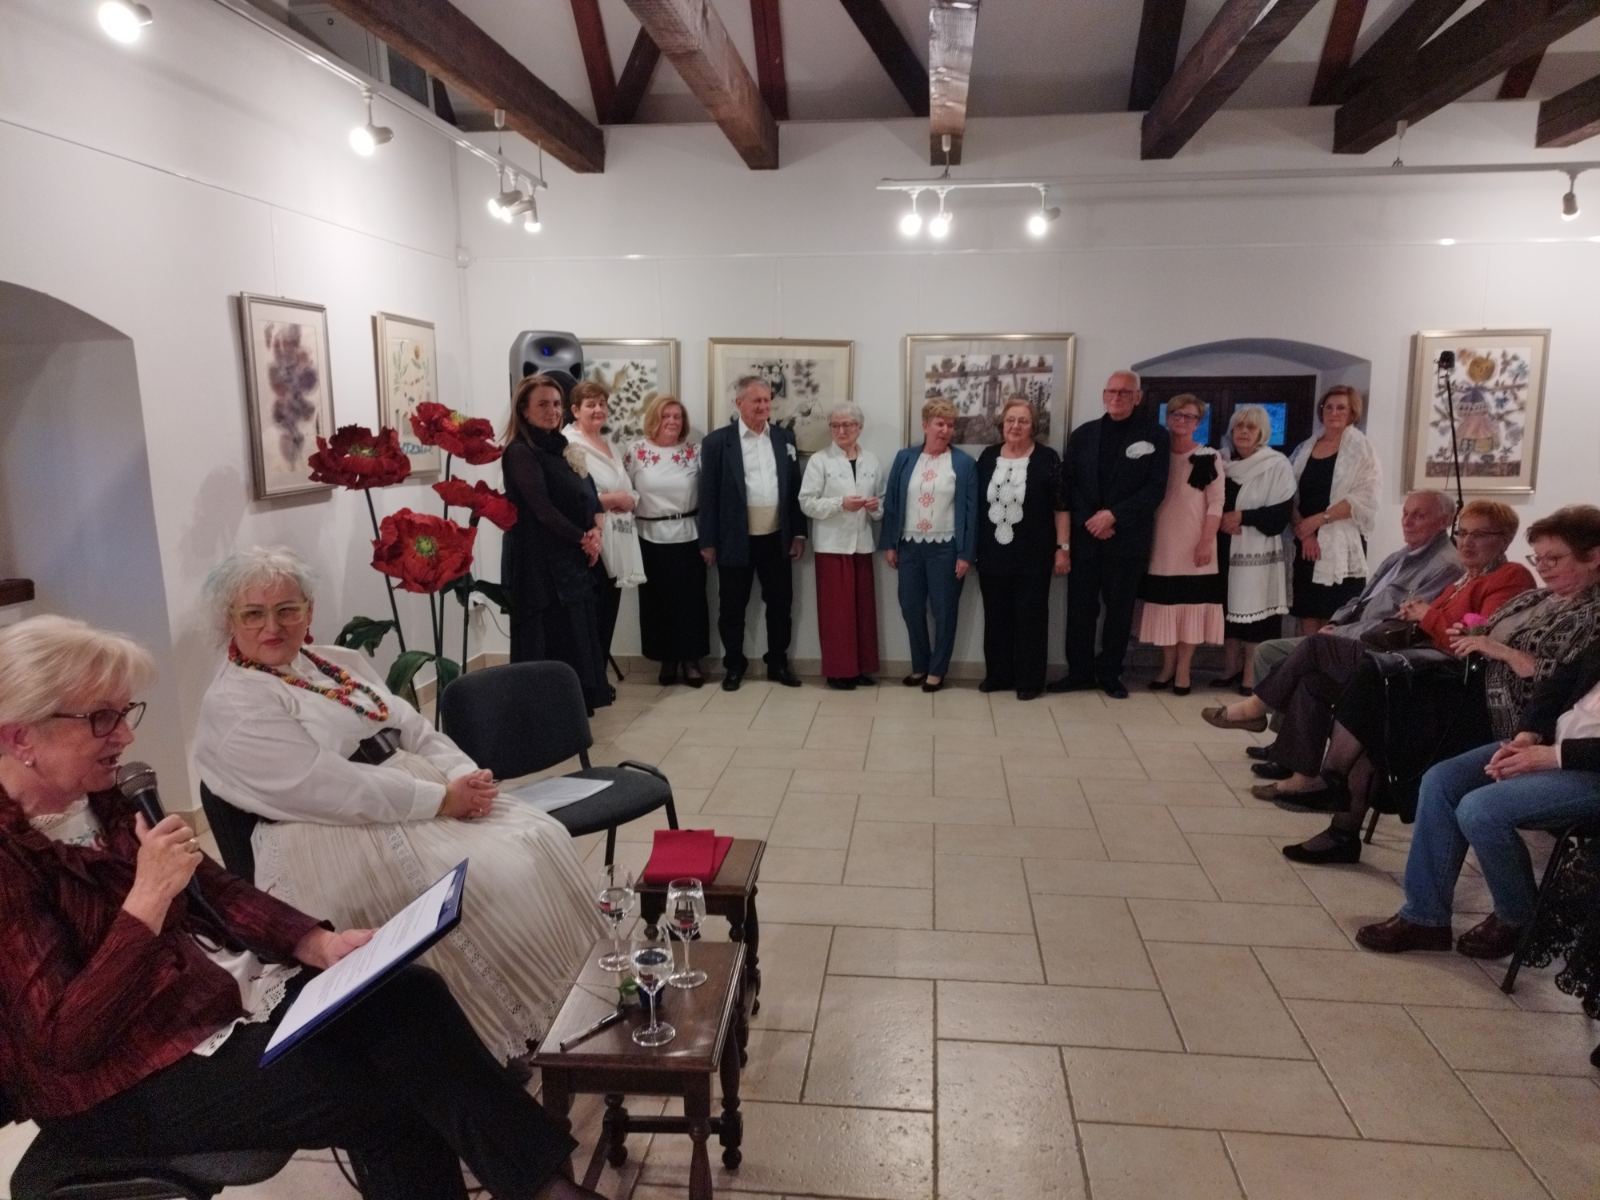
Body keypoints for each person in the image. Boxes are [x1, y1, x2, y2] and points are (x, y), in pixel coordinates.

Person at [0, 615, 602, 1200]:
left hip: (200, 1001)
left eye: (124, 713)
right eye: (101, 718)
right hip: (115, 1081)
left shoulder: (101, 796)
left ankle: (546, 1189)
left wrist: (316, 943)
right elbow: (63, 1041)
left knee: (408, 995)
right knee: (385, 1091)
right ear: (21, 737)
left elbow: (216, 889)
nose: (125, 737)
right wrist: (149, 899)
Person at [193, 548, 604, 1063]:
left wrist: (461, 775)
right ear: (228, 621)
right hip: (329, 828)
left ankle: (572, 1009)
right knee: (489, 877)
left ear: (309, 611)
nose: (272, 626)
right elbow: (327, 787)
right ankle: (487, 1043)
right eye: (253, 614)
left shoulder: (330, 661)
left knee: (540, 837)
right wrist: (440, 799)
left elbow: (410, 724)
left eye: (287, 609)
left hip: (407, 796)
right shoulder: (235, 703)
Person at [1280, 504, 1600, 864]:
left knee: (1378, 691)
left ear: (1593, 558)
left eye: (1553, 559)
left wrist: (1499, 650)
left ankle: (1335, 798)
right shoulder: (1537, 598)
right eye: (1538, 558)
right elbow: (1480, 628)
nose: (1542, 567)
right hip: (1466, 684)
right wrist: (1471, 634)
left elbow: (1562, 684)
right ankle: (1338, 810)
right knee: (1375, 697)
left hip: (1505, 709)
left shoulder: (1592, 615)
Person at [1209, 500, 1533, 808]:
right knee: (1312, 681)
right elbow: (1377, 604)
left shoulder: (1509, 576)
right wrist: (1413, 615)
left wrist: (1425, 615)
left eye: (1479, 534)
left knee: (1315, 646)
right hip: (1409, 660)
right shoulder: (1461, 578)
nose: (1467, 542)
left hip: (1441, 679)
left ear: (1504, 539)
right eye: (1463, 533)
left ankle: (1256, 708)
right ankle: (1303, 778)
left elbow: (1478, 639)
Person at [1355, 641, 1600, 958]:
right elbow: (1558, 684)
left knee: (1480, 810)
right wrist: (1527, 736)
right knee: (1441, 781)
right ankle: (1425, 917)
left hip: (1587, 770)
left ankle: (1519, 918)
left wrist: (1553, 757)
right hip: (1552, 745)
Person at [1242, 489, 1462, 696]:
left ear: (1444, 521)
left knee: (1271, 652)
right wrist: (1336, 624)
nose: (1407, 521)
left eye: (1419, 516)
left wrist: (1341, 634)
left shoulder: (1445, 566)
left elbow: (1397, 624)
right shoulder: (1400, 555)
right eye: (1405, 513)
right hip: (1351, 634)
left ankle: (1259, 712)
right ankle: (1277, 722)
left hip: (1374, 647)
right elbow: (1361, 599)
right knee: (1271, 653)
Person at [1050, 370, 1170, 699]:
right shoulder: (1083, 435)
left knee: (1119, 612)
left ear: (1137, 397)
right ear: (1104, 395)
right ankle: (1079, 672)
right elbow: (1069, 486)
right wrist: (1092, 520)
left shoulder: (1156, 436)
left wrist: (1113, 516)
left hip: (1127, 540)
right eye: (1112, 391)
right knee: (1080, 610)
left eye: (1125, 392)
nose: (1117, 397)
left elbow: (1155, 488)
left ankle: (1110, 673)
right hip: (1086, 538)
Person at [500, 372, 609, 712]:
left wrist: (595, 530)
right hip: (538, 562)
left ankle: (573, 705)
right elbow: (542, 509)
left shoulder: (561, 447)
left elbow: (587, 494)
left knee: (575, 631)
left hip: (571, 556)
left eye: (557, 403)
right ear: (524, 410)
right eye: (543, 404)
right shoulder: (520, 451)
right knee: (549, 632)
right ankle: (547, 710)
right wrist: (583, 538)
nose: (553, 411)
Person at [700, 376, 807, 691]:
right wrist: (708, 541)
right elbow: (708, 494)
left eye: (766, 400)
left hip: (777, 537)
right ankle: (734, 665)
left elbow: (794, 490)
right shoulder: (717, 442)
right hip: (734, 537)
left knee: (781, 604)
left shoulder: (784, 438)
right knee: (732, 606)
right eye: (756, 400)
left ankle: (777, 663)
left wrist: (798, 534)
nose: (763, 406)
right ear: (739, 404)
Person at [880, 398, 978, 693]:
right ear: (925, 425)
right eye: (939, 423)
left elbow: (971, 512)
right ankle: (920, 665)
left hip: (946, 548)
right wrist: (890, 544)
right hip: (909, 545)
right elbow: (893, 502)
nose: (945, 430)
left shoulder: (963, 463)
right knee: (910, 606)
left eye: (950, 425)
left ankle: (937, 670)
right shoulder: (905, 458)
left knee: (944, 610)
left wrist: (966, 554)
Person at [975, 397, 1067, 700]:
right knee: (996, 617)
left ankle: (1029, 680)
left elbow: (1061, 507)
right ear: (1002, 423)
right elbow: (976, 506)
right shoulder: (988, 457)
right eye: (1011, 420)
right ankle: (998, 675)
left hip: (1034, 555)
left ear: (1033, 426)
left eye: (1023, 421)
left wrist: (1063, 548)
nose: (1016, 426)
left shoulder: (1048, 458)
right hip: (992, 554)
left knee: (1031, 618)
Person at [1137, 394, 1223, 695]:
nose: (1182, 420)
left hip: (1195, 545)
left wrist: (1205, 542)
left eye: (1189, 416)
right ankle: (1167, 666)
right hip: (1161, 545)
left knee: (1190, 610)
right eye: (1176, 414)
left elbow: (1216, 504)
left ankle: (1184, 669)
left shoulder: (1208, 457)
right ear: (1168, 417)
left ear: (1198, 422)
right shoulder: (1155, 455)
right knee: (1166, 608)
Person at [799, 402, 884, 690]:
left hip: (862, 544)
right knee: (837, 614)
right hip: (832, 547)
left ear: (859, 427)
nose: (841, 430)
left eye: (847, 425)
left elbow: (882, 502)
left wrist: (875, 507)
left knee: (862, 612)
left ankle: (860, 667)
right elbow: (806, 503)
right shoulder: (820, 461)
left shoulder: (871, 461)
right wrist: (840, 504)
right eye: (835, 425)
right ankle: (839, 671)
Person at [627, 394, 710, 687]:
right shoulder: (636, 452)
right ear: (654, 419)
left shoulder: (694, 452)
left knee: (690, 602)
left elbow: (709, 496)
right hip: (648, 537)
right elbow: (624, 490)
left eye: (677, 416)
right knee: (657, 602)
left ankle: (691, 660)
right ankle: (666, 659)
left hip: (688, 536)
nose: (672, 421)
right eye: (666, 416)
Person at [1214, 404, 1295, 694]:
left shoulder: (1276, 465)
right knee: (1227, 609)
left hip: (1258, 551)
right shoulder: (1223, 463)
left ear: (1262, 432)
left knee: (1255, 613)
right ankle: (1230, 668)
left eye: (1251, 427)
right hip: (1224, 547)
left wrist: (1242, 517)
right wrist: (1220, 521)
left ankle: (1251, 674)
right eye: (1239, 426)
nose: (1244, 432)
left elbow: (1280, 515)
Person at [563, 379, 644, 669]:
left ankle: (599, 676)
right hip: (591, 540)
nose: (598, 409)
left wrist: (629, 498)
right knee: (592, 615)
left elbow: (626, 486)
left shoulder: (610, 444)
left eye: (602, 404)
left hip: (618, 537)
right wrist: (614, 499)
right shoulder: (569, 444)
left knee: (609, 611)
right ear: (575, 410)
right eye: (590, 405)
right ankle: (589, 678)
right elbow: (574, 496)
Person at [1289, 385, 1381, 634]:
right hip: (1306, 539)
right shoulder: (1306, 447)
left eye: (1341, 407)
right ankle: (1309, 656)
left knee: (1336, 616)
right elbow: (1289, 493)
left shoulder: (1361, 448)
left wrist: (1319, 520)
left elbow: (1365, 497)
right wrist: (1305, 532)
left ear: (1352, 412)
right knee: (1308, 610)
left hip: (1342, 542)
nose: (1333, 412)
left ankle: (1330, 659)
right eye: (1328, 407)